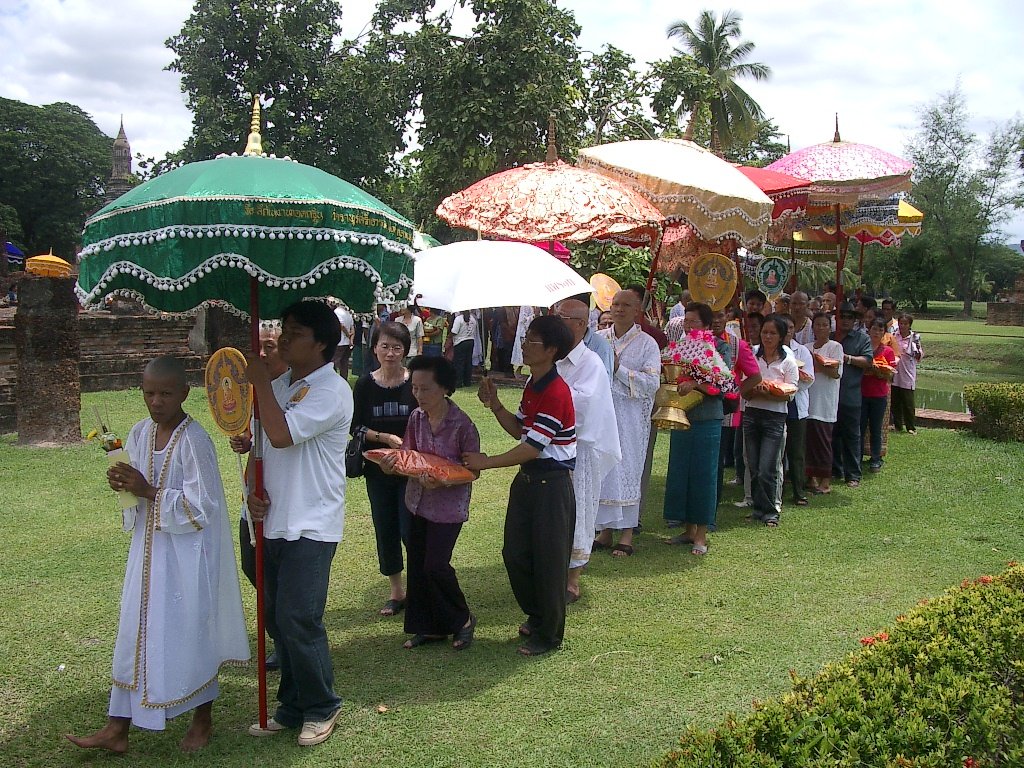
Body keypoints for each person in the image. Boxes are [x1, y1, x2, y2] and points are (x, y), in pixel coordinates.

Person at [67, 356, 249, 755]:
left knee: (189, 630)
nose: (156, 401)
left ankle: (203, 718)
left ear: (184, 393)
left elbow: (203, 509)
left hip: (185, 558)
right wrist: (123, 484)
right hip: (146, 555)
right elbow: (135, 492)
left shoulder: (193, 440)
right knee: (134, 632)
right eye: (149, 393)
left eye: (166, 393)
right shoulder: (138, 433)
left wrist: (149, 491)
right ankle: (118, 728)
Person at [245, 300, 349, 747]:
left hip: (311, 520)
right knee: (275, 616)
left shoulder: (333, 390)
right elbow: (261, 448)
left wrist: (259, 383)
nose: (283, 338)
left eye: (295, 332)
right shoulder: (283, 383)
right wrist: (252, 489)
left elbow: (283, 434)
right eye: (283, 329)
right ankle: (291, 705)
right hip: (272, 520)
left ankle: (322, 705)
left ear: (322, 343)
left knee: (298, 617)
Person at [466, 315, 577, 656]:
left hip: (551, 484)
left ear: (552, 350)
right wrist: (494, 403)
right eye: (526, 339)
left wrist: (486, 462)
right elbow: (521, 430)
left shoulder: (557, 391)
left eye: (532, 341)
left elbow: (532, 447)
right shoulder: (533, 384)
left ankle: (549, 633)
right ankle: (537, 615)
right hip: (530, 481)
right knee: (515, 554)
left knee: (549, 561)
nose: (524, 345)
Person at [377, 356, 481, 650]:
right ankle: (429, 627)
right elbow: (409, 455)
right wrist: (392, 465)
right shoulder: (416, 419)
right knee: (419, 566)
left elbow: (473, 470)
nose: (419, 396)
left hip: (448, 508)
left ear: (445, 388)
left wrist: (444, 479)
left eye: (426, 389)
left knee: (436, 565)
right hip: (416, 502)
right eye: (415, 389)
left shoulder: (462, 425)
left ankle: (462, 619)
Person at [231, 321, 289, 670]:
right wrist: (245, 442)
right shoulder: (253, 388)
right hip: (249, 493)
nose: (264, 353)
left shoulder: (293, 389)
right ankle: (281, 635)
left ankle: (288, 641)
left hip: (277, 499)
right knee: (252, 568)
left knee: (277, 579)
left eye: (271, 346)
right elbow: (254, 434)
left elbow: (283, 433)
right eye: (260, 346)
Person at [553, 300, 620, 602]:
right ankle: (551, 567)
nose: (557, 323)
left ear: (581, 324)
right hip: (549, 446)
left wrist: (551, 398)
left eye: (562, 318)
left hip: (582, 448)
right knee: (553, 510)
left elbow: (584, 405)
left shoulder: (590, 362)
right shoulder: (551, 359)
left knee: (578, 508)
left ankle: (573, 577)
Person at [351, 321, 417, 617]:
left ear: (406, 349)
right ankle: (397, 592)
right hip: (377, 471)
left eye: (397, 347)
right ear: (374, 348)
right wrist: (384, 438)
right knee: (385, 527)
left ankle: (420, 587)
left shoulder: (415, 381)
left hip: (411, 470)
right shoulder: (365, 385)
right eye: (385, 346)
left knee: (411, 528)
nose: (390, 353)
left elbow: (427, 417)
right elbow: (355, 426)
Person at [593, 289, 661, 556]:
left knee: (628, 469)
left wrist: (619, 369)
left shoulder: (647, 344)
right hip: (602, 416)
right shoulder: (598, 340)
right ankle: (605, 530)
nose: (619, 309)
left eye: (626, 305)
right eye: (616, 304)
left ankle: (627, 534)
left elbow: (651, 383)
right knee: (603, 468)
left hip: (630, 418)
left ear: (636, 311)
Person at [663, 303, 732, 555]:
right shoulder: (679, 347)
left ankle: (701, 533)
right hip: (683, 414)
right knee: (682, 471)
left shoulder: (719, 347)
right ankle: (688, 529)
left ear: (705, 324)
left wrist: (696, 384)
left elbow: (724, 384)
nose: (688, 326)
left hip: (707, 419)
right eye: (686, 321)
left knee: (704, 474)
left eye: (693, 322)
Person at [743, 316, 799, 527]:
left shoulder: (787, 361)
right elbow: (743, 390)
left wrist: (768, 392)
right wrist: (754, 390)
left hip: (775, 417)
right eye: (765, 332)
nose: (767, 336)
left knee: (769, 467)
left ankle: (771, 511)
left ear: (781, 337)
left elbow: (790, 393)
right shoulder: (752, 356)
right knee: (754, 466)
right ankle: (759, 508)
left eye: (773, 333)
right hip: (752, 414)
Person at [832, 302, 873, 488]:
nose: (845, 320)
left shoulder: (861, 339)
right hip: (830, 396)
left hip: (850, 395)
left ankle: (853, 474)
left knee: (851, 436)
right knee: (832, 435)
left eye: (849, 317)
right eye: (842, 316)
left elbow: (867, 361)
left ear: (855, 320)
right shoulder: (831, 338)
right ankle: (834, 470)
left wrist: (847, 358)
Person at [805, 312, 844, 494]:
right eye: (817, 325)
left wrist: (818, 365)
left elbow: (835, 372)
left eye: (824, 325)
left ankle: (825, 481)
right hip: (808, 402)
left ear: (830, 328)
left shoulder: (835, 347)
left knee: (823, 442)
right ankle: (811, 478)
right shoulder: (806, 347)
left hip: (825, 403)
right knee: (809, 442)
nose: (820, 328)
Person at [781, 314, 814, 507]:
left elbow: (809, 380)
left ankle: (799, 491)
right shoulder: (770, 352)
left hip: (796, 405)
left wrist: (793, 379)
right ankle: (778, 489)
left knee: (796, 451)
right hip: (777, 403)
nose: (787, 331)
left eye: (791, 327)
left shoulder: (801, 351)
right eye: (784, 327)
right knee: (778, 451)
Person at [861, 318, 897, 472]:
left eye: (880, 330)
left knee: (876, 427)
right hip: (861, 393)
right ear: (869, 330)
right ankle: (856, 456)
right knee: (860, 427)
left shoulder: (887, 351)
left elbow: (890, 375)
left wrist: (879, 370)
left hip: (879, 395)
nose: (876, 332)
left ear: (884, 333)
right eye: (874, 329)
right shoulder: (863, 348)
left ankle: (876, 458)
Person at [892, 312, 923, 434]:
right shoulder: (894, 335)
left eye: (905, 323)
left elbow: (919, 355)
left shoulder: (914, 337)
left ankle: (911, 427)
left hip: (908, 371)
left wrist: (915, 351)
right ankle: (897, 425)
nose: (902, 326)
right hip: (896, 371)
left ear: (909, 325)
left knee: (908, 402)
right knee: (896, 401)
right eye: (901, 323)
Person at [450, 310, 477, 387]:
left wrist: (449, 335)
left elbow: (454, 331)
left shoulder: (459, 319)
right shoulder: (472, 319)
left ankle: (458, 382)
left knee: (459, 362)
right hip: (470, 340)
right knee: (468, 362)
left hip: (460, 341)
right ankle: (467, 381)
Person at [332, 301, 355, 380]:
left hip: (339, 342)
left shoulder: (336, 312)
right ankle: (344, 380)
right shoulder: (348, 313)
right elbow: (352, 328)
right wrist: (351, 340)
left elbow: (341, 325)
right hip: (347, 343)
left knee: (333, 363)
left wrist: (347, 334)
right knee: (344, 363)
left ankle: (333, 380)